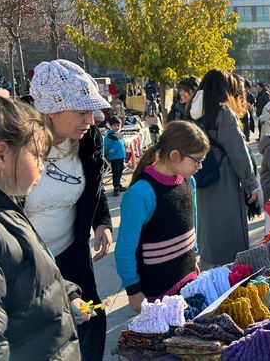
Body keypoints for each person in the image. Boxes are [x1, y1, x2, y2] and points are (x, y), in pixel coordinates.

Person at [0, 80, 89, 359]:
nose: (42, 167)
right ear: (0, 155)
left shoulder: (1, 210)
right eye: (36, 156)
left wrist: (67, 295)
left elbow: (30, 276)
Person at [26, 59, 113, 360]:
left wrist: (102, 222)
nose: (91, 118)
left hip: (72, 258)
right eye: (81, 110)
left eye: (92, 109)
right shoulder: (16, 147)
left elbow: (95, 185)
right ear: (51, 109)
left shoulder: (88, 140)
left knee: (89, 327)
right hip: (26, 269)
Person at [115, 121, 209, 313]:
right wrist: (133, 290)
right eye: (197, 160)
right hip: (156, 294)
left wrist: (193, 260)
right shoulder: (141, 193)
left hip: (187, 281)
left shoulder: (188, 181)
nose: (199, 167)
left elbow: (192, 221)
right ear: (175, 155)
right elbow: (125, 249)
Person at [189, 69, 259, 268]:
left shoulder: (193, 112)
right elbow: (238, 152)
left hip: (201, 175)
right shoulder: (222, 113)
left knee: (208, 226)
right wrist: (249, 183)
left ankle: (208, 266)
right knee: (229, 228)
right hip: (224, 178)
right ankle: (230, 273)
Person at [104, 116, 127, 196]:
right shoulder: (109, 136)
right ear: (110, 126)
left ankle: (119, 185)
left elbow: (121, 145)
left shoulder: (118, 134)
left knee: (120, 171)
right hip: (114, 157)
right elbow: (107, 146)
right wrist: (112, 152)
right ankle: (116, 187)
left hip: (120, 157)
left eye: (118, 125)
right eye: (114, 125)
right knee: (116, 172)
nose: (116, 127)